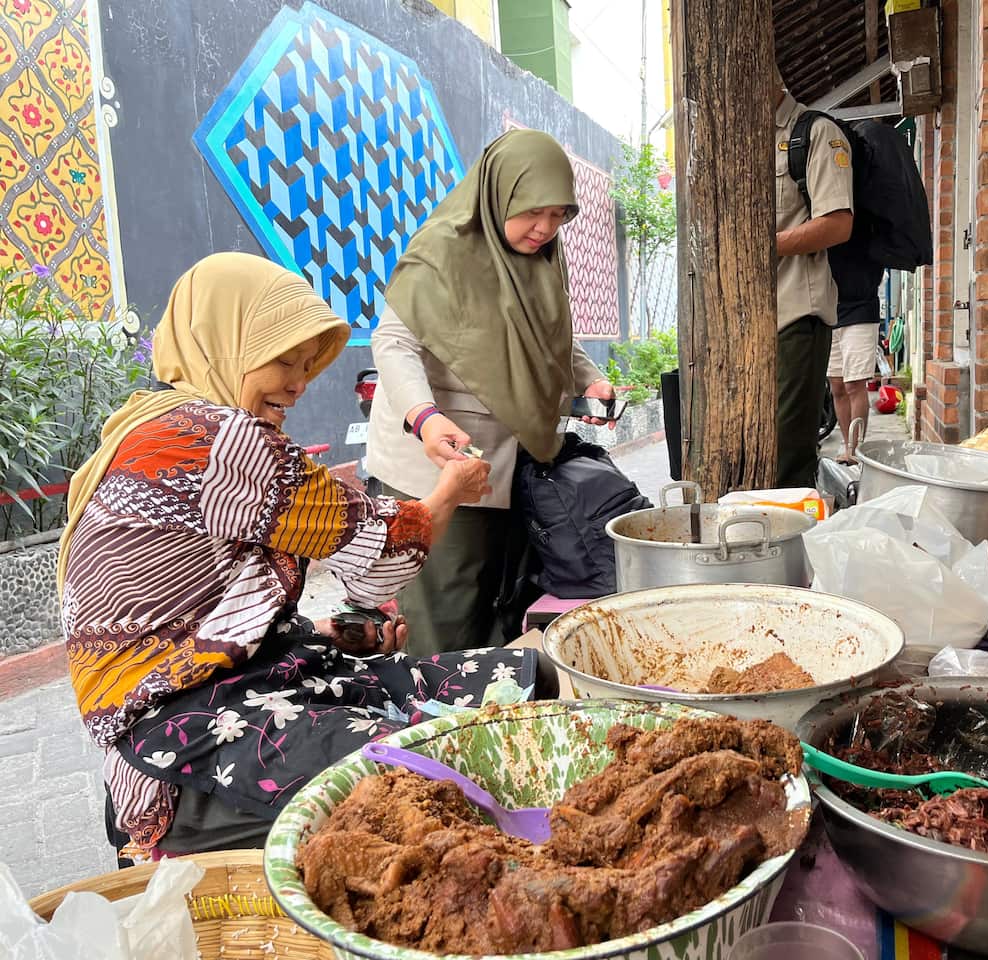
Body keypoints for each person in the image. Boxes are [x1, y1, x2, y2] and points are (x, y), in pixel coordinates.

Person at [57, 252, 547, 859]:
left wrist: (320, 631)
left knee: (514, 682)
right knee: (442, 769)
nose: (298, 381)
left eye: (306, 362)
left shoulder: (152, 426)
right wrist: (449, 494)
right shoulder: (214, 441)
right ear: (222, 342)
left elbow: (183, 615)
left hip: (238, 691)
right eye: (282, 359)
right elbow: (378, 560)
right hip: (182, 751)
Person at [366, 128, 615, 656]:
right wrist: (424, 418)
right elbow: (392, 341)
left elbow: (550, 335)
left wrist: (587, 380)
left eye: (558, 215)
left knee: (502, 605)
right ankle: (435, 729)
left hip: (510, 462)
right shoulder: (442, 254)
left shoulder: (541, 259)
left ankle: (490, 716)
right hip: (437, 461)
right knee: (447, 618)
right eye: (531, 212)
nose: (545, 229)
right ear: (499, 193)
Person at [774, 66, 854, 487]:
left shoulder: (814, 133)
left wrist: (763, 246)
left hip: (795, 313)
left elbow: (838, 223)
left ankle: (789, 544)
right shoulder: (737, 138)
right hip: (748, 319)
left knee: (788, 448)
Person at [826, 256, 885, 461]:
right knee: (837, 386)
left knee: (854, 384)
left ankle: (856, 449)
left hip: (861, 309)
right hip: (830, 311)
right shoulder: (820, 226)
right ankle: (847, 446)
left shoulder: (865, 226)